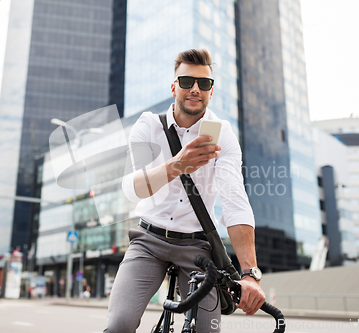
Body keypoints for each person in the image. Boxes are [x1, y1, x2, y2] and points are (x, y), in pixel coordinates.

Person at [104, 49, 265, 333]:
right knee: (119, 325)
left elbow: (235, 201)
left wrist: (250, 273)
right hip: (149, 240)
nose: (195, 89)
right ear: (173, 86)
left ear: (211, 92)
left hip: (197, 247)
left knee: (207, 331)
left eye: (204, 84)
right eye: (186, 81)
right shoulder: (148, 126)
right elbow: (132, 188)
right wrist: (176, 165)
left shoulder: (222, 134)